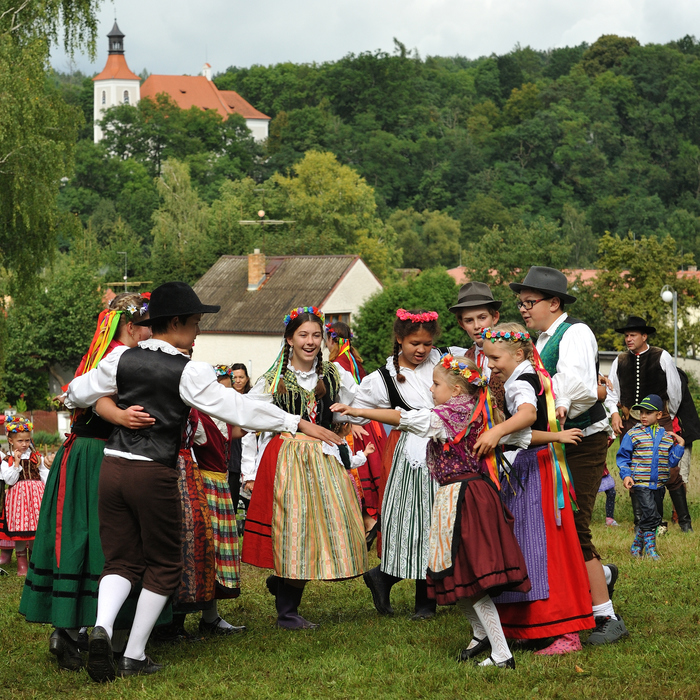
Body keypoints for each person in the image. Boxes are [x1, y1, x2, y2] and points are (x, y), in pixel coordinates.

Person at [62, 283, 336, 681]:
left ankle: (102, 627)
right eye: (194, 322)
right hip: (153, 471)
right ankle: (134, 654)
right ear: (174, 323)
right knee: (164, 563)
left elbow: (74, 393)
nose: (198, 331)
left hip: (112, 467)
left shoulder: (120, 358)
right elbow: (236, 408)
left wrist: (118, 414)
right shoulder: (188, 370)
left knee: (120, 559)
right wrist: (295, 421)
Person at [332, 355, 529, 669]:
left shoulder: (449, 415)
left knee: (468, 576)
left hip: (462, 497)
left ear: (455, 390)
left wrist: (358, 411)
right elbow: (520, 436)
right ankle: (481, 635)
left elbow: (405, 418)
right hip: (466, 494)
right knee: (449, 572)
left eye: (436, 384)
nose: (431, 389)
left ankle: (502, 653)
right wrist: (557, 436)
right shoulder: (479, 411)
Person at [18, 293, 152, 671]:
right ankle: (106, 634)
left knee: (76, 536)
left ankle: (66, 629)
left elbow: (78, 397)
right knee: (107, 539)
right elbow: (93, 400)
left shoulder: (97, 355)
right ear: (131, 327)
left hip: (79, 453)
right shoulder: (121, 359)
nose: (152, 332)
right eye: (148, 326)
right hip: (103, 454)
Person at [510, 266, 626, 646]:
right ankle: (598, 578)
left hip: (582, 440)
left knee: (574, 524)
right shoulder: (540, 340)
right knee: (555, 523)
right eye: (521, 303)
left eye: (530, 302)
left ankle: (606, 616)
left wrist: (558, 405)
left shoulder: (575, 332)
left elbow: (575, 383)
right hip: (557, 439)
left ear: (554, 303)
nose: (524, 309)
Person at [241, 306, 368, 630]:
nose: (310, 341)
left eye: (316, 335)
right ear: (289, 339)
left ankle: (284, 586)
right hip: (287, 459)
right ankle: (287, 612)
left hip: (324, 459)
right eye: (303, 335)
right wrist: (249, 471)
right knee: (293, 529)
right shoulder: (274, 379)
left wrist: (346, 417)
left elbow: (357, 408)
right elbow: (251, 420)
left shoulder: (335, 375)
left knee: (317, 530)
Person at [474, 323, 598, 655]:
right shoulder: (533, 375)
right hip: (538, 465)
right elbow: (532, 428)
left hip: (535, 471)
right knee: (533, 548)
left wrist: (495, 431)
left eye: (495, 358)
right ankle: (534, 626)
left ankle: (563, 632)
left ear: (518, 354)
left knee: (542, 549)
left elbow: (528, 416)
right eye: (488, 358)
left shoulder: (521, 383)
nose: (490, 365)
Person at [351, 309, 464, 620]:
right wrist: (350, 421)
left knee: (441, 522)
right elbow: (357, 408)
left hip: (450, 449)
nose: (421, 350)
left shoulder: (447, 360)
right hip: (415, 456)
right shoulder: (383, 378)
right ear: (399, 339)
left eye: (427, 343)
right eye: (415, 343)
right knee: (419, 523)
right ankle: (424, 602)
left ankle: (385, 578)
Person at [325, 321, 387, 546]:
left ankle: (367, 522)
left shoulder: (336, 364)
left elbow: (348, 397)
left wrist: (351, 422)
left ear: (331, 339)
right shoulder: (355, 360)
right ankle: (368, 523)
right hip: (370, 423)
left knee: (350, 472)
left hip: (352, 422)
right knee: (367, 469)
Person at [616, 394, 685, 560]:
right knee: (652, 515)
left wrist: (680, 446)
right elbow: (623, 457)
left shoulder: (666, 437)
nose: (643, 416)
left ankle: (636, 546)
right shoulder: (633, 434)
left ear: (659, 415)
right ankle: (650, 550)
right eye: (641, 412)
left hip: (659, 485)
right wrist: (626, 475)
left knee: (653, 516)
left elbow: (671, 462)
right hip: (641, 483)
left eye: (648, 413)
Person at [0, 417, 50, 577]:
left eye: (27, 440)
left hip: (36, 497)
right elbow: (9, 480)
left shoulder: (36, 457)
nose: (24, 444)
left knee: (35, 530)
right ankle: (22, 565)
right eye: (20, 441)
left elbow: (44, 474)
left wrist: (48, 490)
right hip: (18, 498)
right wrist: (16, 463)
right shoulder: (7, 460)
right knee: (20, 531)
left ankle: (34, 563)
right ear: (11, 441)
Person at [448, 281, 505, 409]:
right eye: (469, 320)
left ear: (495, 317)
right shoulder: (464, 358)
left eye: (482, 318)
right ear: (462, 324)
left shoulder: (511, 353)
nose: (477, 326)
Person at [670, 368, 698, 532]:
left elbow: (675, 399)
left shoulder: (676, 377)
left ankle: (678, 514)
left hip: (683, 433)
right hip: (665, 433)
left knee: (681, 475)